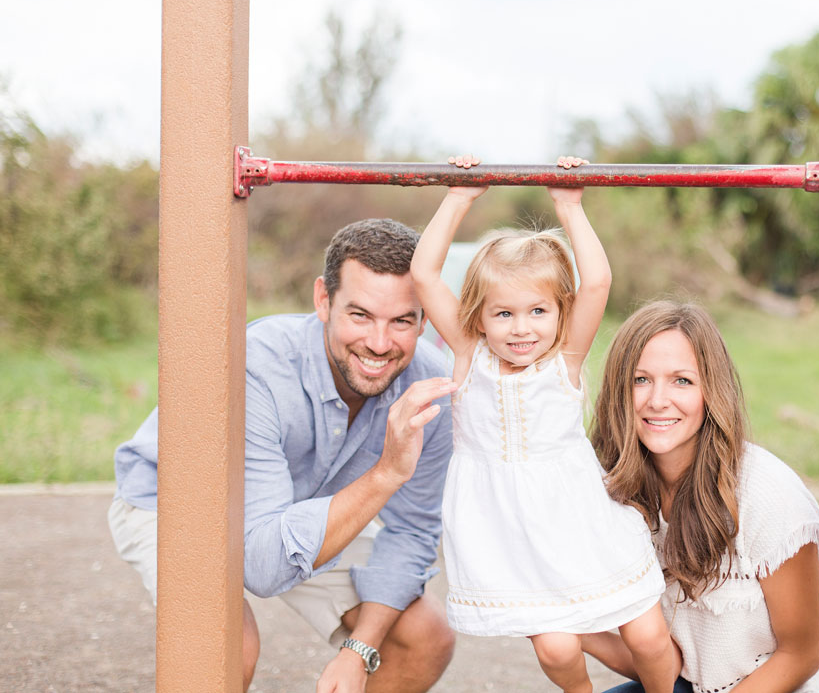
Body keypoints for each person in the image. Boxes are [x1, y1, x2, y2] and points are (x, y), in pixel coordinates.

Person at [108, 219, 458, 693]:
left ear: (425, 318)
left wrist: (359, 650)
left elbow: (412, 531)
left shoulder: (431, 388)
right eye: (359, 315)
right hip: (178, 502)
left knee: (423, 636)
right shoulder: (258, 365)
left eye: (401, 321)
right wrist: (384, 477)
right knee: (228, 645)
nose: (379, 343)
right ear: (323, 300)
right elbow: (265, 569)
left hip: (295, 503)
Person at [410, 155, 678, 693]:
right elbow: (423, 274)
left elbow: (597, 281)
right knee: (557, 650)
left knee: (648, 638)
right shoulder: (470, 355)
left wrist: (570, 207)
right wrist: (459, 197)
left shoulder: (564, 361)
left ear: (560, 312)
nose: (520, 328)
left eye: (537, 311)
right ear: (478, 318)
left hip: (578, 518)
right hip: (511, 530)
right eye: (503, 313)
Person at [585, 300, 819, 693]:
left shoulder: (766, 494)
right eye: (641, 379)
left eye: (682, 380)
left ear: (711, 390)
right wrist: (565, 628)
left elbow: (801, 654)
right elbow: (670, 664)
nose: (658, 400)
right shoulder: (619, 490)